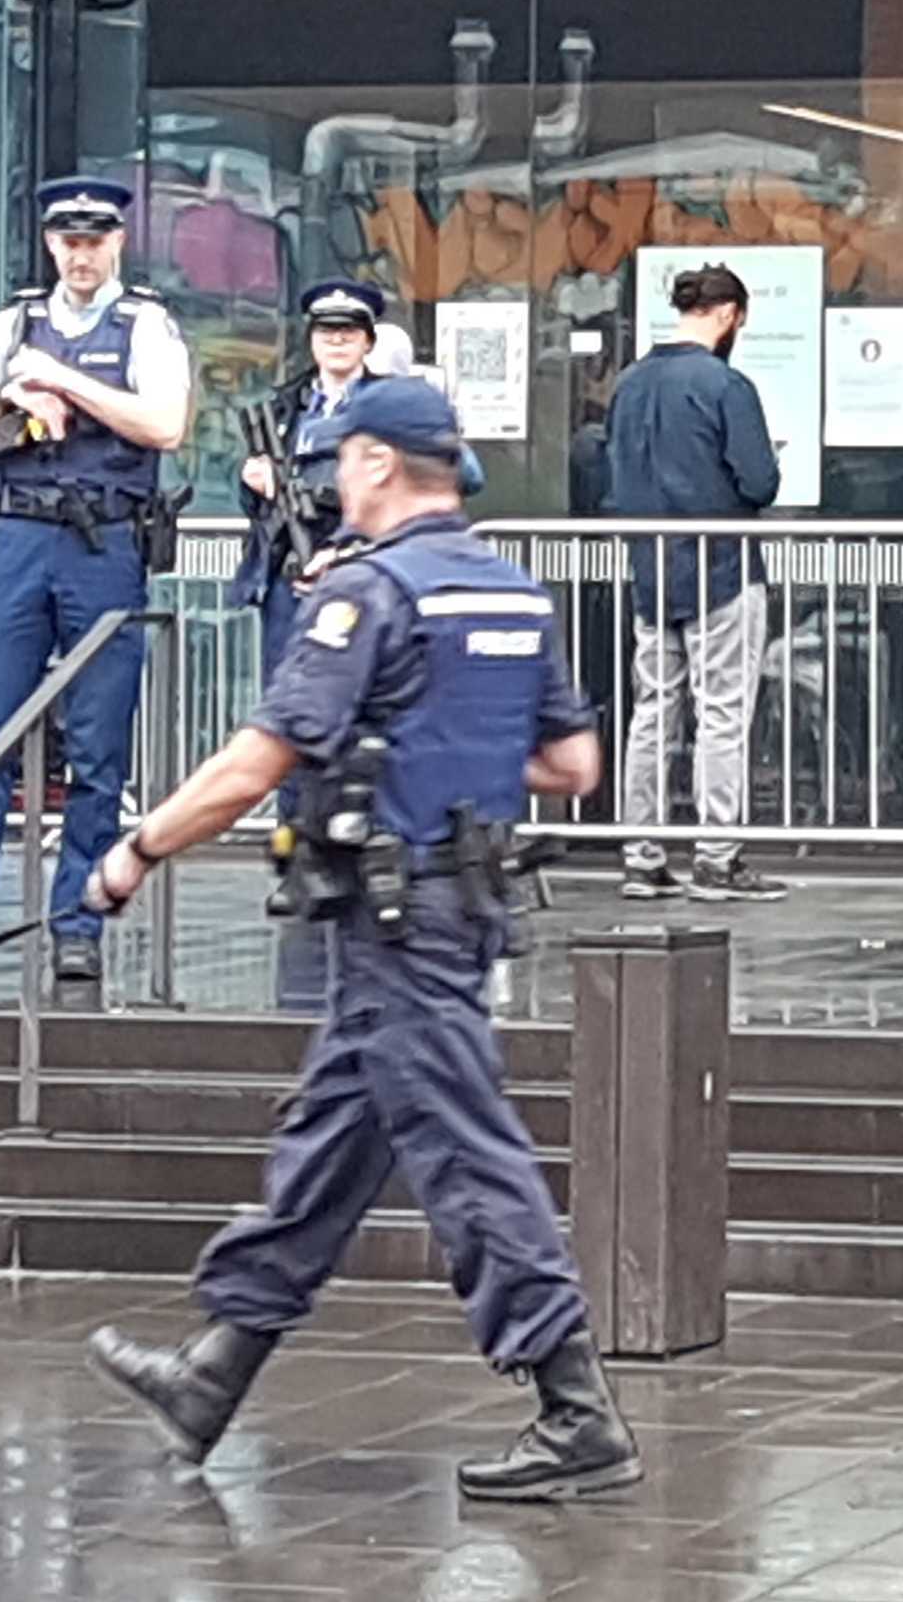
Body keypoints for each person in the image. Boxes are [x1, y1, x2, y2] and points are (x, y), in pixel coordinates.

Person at [76, 376, 640, 1503]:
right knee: (332, 1142)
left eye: (344, 458)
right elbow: (574, 769)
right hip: (462, 904)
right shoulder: (515, 594)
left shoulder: (368, 598)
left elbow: (255, 763)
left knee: (469, 1157)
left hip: (393, 917)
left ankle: (577, 1410)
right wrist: (445, 748)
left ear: (380, 463)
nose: (336, 476)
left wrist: (136, 851)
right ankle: (215, 1373)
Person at [0, 176, 197, 991]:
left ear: (118, 243)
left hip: (104, 544)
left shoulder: (146, 326)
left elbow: (166, 424)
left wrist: (63, 381)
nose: (80, 252)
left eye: (94, 237)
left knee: (98, 747)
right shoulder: (12, 324)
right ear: (49, 242)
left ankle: (79, 925)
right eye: (67, 237)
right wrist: (10, 388)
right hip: (22, 540)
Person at [601, 264, 783, 902]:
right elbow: (760, 482)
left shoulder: (628, 385)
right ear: (730, 313)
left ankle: (642, 856)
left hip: (650, 570)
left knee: (653, 712)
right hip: (721, 568)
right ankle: (717, 856)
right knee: (723, 713)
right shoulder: (725, 385)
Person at [232, 279, 388, 663]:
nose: (336, 340)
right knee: (286, 688)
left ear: (367, 342)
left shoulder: (389, 403)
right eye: (326, 331)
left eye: (348, 331)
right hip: (290, 567)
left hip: (361, 560)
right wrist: (253, 482)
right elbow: (256, 510)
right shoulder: (285, 406)